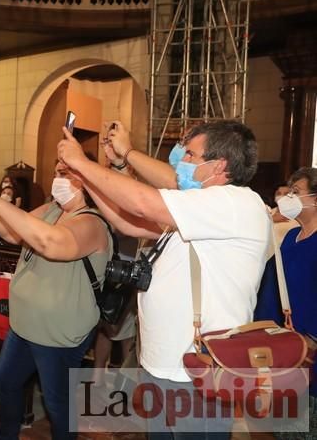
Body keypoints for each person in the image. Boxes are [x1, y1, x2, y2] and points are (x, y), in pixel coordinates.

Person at [58, 120, 271, 439]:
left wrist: (82, 162)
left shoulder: (235, 203)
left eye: (190, 155)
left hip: (200, 373)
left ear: (219, 165)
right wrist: (85, 179)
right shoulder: (198, 211)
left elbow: (143, 201)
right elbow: (127, 222)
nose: (181, 162)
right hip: (165, 365)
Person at [0, 160, 111, 440]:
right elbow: (12, 233)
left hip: (58, 331)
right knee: (5, 380)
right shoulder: (51, 210)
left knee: (57, 403)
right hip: (25, 325)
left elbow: (51, 243)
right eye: (55, 172)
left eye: (63, 174)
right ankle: (7, 435)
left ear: (84, 181)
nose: (55, 179)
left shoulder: (92, 222)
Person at [255, 167, 317, 436]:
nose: (289, 197)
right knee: (285, 427)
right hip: (287, 348)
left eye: (296, 192)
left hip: (311, 347)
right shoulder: (291, 237)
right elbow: (273, 287)